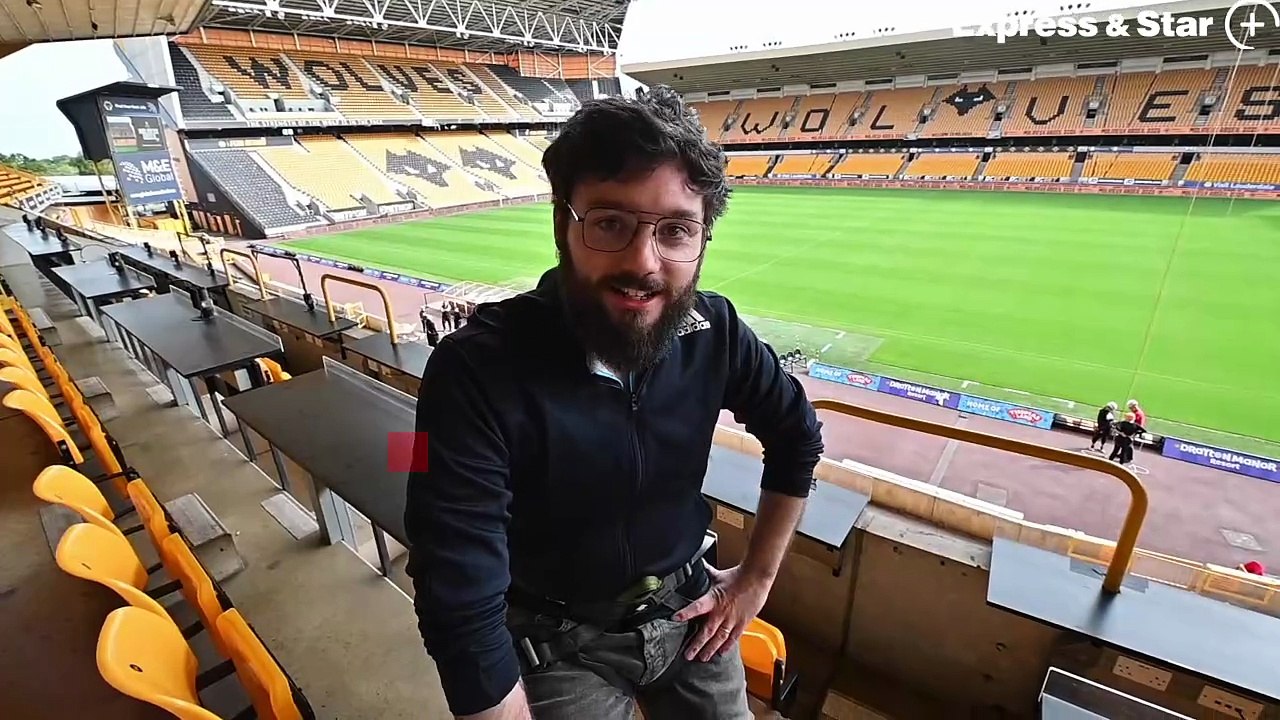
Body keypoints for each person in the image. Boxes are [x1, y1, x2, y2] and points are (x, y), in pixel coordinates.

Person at [404, 86, 824, 720]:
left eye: (676, 231)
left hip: (691, 615)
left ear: (702, 240)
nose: (642, 263)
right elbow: (455, 587)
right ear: (563, 226)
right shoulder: (475, 371)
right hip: (553, 644)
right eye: (610, 223)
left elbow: (796, 436)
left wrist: (756, 581)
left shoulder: (716, 331)